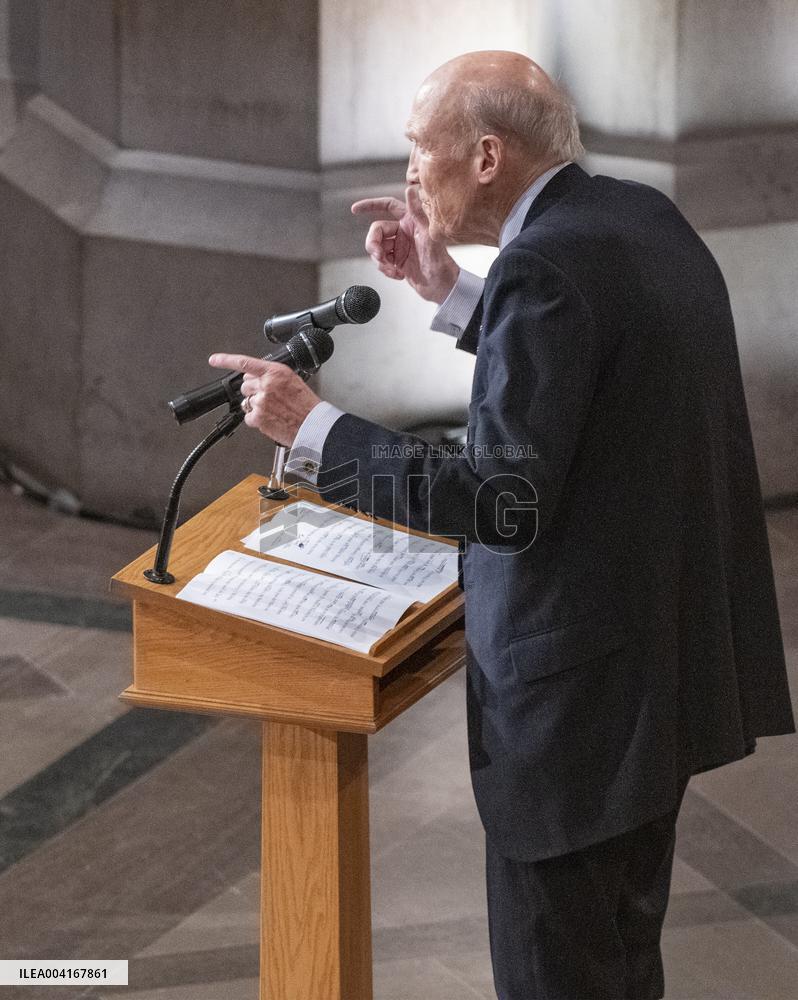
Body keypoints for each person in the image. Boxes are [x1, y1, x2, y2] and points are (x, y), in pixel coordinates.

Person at [209, 51, 795, 1000]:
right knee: (612, 966)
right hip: (659, 675)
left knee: (561, 976)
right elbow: (597, 379)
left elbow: (502, 503)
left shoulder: (547, 269)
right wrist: (453, 292)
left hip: (577, 715)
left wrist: (313, 427)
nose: (407, 174)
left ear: (486, 157)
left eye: (417, 147)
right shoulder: (636, 218)